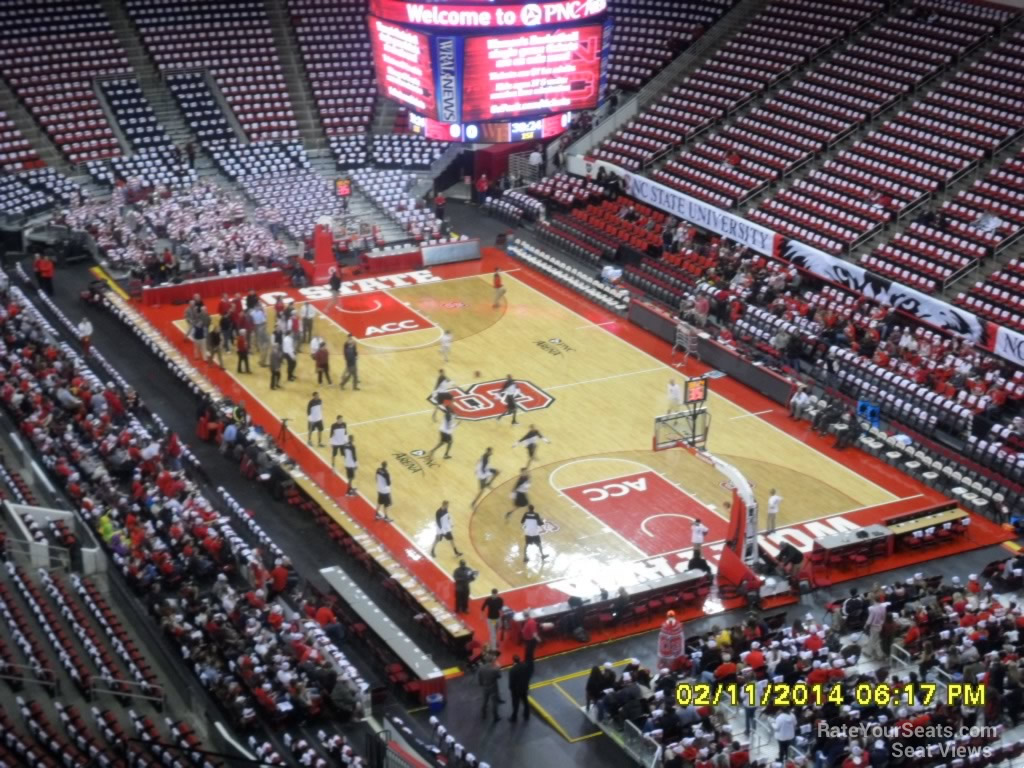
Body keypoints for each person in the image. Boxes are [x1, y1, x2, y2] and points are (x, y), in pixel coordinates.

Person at [477, 655, 502, 722]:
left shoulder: (481, 668)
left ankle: (483, 713)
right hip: (493, 687)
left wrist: (482, 684)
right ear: (492, 661)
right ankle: (495, 717)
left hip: (485, 687)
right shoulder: (494, 669)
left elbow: (479, 678)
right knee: (494, 702)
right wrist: (498, 668)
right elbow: (499, 676)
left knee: (485, 701)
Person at [863, 594, 888, 660]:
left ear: (874, 600)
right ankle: (868, 652)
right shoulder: (883, 607)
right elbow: (884, 617)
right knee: (873, 639)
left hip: (874, 626)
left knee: (875, 640)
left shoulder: (873, 609)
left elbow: (870, 619)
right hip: (880, 625)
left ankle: (879, 654)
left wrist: (866, 625)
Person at [508, 655, 531, 722]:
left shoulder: (512, 670)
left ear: (513, 660)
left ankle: (514, 717)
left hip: (516, 690)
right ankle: (526, 714)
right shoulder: (525, 666)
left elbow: (511, 682)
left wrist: (511, 689)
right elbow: (528, 676)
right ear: (519, 659)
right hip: (524, 688)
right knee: (525, 701)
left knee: (515, 704)